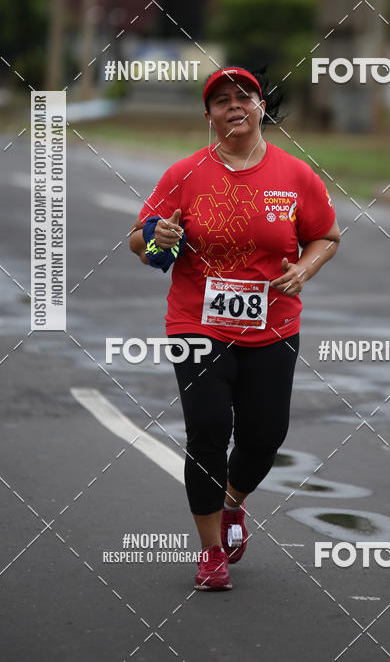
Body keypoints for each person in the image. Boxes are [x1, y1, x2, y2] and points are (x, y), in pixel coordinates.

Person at [129, 67, 340, 590]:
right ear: (209, 116)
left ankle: (231, 503)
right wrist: (158, 237)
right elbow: (139, 240)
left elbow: (327, 236)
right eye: (221, 100)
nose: (234, 106)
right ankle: (210, 552)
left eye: (244, 96)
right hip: (196, 323)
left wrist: (304, 268)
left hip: (274, 325)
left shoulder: (296, 175)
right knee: (207, 430)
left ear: (261, 106)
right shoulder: (184, 174)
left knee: (265, 435)